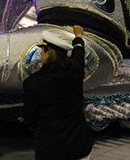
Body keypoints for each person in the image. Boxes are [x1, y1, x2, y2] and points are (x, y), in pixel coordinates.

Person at [23, 25, 93, 160]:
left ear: (48, 53)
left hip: (52, 149)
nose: (41, 54)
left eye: (42, 51)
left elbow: (30, 119)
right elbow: (79, 52)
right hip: (79, 146)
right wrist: (78, 37)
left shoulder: (34, 83)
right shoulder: (75, 70)